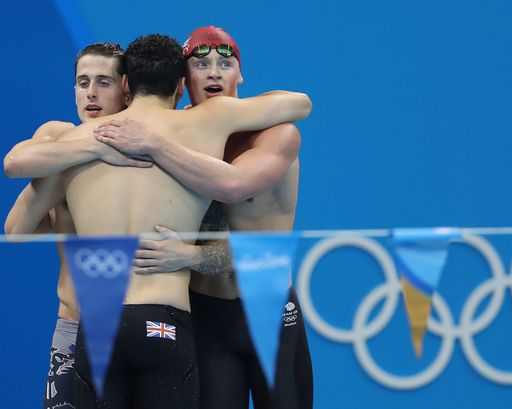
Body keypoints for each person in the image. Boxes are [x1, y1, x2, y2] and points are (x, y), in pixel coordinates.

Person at [18, 33, 310, 408]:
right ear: (182, 83)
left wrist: (152, 144)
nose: (213, 73)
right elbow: (15, 167)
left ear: (242, 74)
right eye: (201, 65)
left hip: (268, 309)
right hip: (200, 314)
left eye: (225, 64)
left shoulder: (271, 132)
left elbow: (238, 180)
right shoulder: (183, 127)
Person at [2, 42, 149, 409]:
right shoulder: (58, 135)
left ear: (126, 89)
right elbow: (16, 219)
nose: (92, 93)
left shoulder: (148, 141)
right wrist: (94, 148)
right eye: (83, 83)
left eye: (103, 81)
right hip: (73, 326)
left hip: (134, 329)